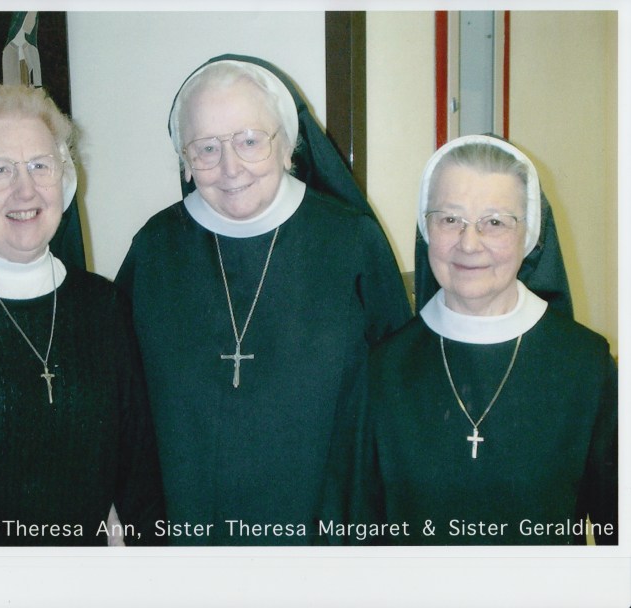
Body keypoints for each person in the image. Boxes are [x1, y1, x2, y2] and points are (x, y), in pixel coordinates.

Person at [115, 55, 412, 545]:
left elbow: (397, 393)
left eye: (250, 141)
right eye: (206, 148)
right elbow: (121, 402)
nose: (231, 168)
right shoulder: (155, 249)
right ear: (185, 161)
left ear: (287, 145)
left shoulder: (351, 242)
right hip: (187, 536)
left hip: (324, 538)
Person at [320, 134, 617, 545]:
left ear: (528, 234)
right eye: (449, 219)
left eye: (494, 222)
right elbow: (355, 530)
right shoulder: (383, 369)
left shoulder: (587, 364)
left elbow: (615, 531)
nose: (469, 243)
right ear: (426, 227)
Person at [0, 84, 164, 546]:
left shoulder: (105, 306)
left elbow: (141, 478)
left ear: (65, 179)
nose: (25, 189)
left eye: (39, 165)